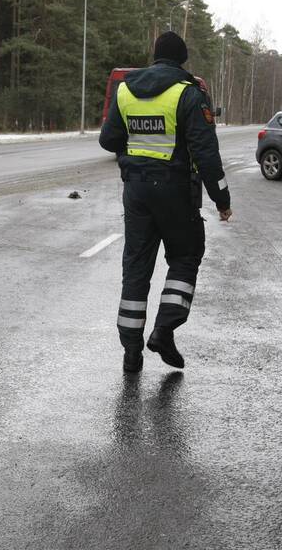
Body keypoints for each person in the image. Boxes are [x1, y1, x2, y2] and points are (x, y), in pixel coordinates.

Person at [99, 31, 232, 373]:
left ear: (154, 55)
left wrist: (135, 149)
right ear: (182, 59)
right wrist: (221, 198)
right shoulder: (188, 93)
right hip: (175, 192)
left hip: (137, 193)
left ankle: (131, 352)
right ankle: (164, 329)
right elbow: (206, 152)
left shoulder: (125, 90)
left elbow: (108, 139)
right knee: (186, 255)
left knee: (137, 266)